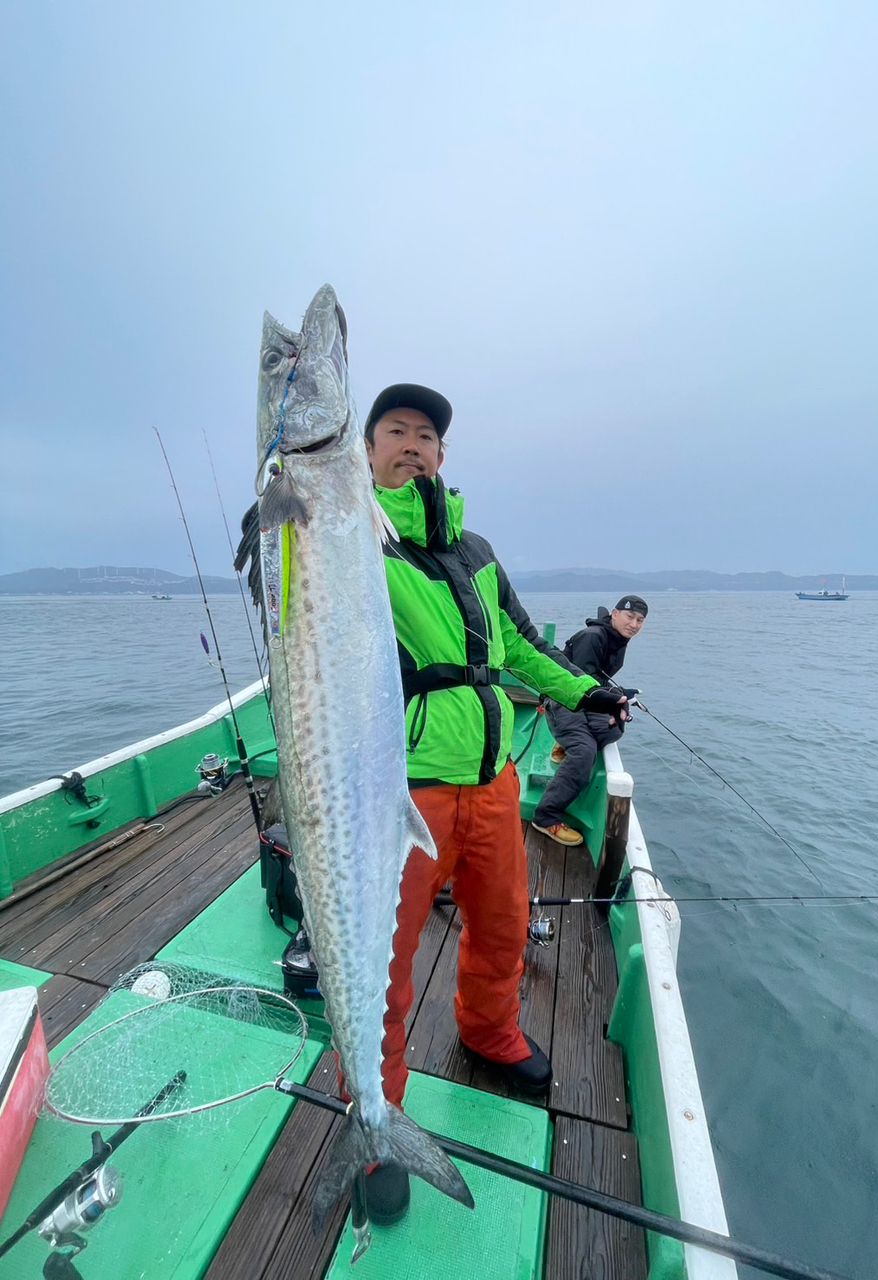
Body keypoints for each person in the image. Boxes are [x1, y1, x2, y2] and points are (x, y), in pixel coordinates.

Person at [363, 384, 627, 1221]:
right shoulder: (349, 535)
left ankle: (488, 1030)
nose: (414, 443)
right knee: (384, 965)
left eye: (427, 434)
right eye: (396, 431)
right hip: (402, 788)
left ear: (444, 455)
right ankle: (377, 1119)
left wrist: (584, 691)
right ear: (366, 451)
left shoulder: (476, 548)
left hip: (491, 783)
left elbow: (517, 644)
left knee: (505, 923)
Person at [531, 597, 647, 846]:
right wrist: (617, 695)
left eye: (640, 620)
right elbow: (579, 682)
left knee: (615, 726)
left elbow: (598, 682)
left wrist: (619, 699)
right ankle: (546, 817)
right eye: (630, 617)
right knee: (584, 753)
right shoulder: (593, 637)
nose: (634, 624)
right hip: (563, 698)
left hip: (584, 697)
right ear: (615, 614)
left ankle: (565, 742)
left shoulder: (618, 640)